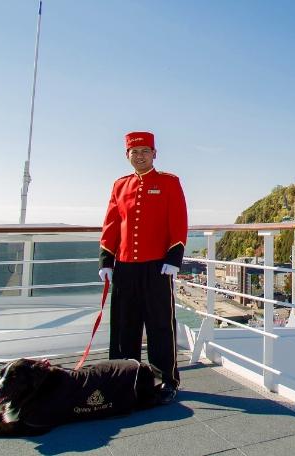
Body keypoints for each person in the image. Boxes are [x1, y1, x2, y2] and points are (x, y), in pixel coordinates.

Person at [98, 131, 187, 404]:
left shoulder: (169, 182)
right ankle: (124, 379)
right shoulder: (119, 185)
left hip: (157, 267)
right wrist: (106, 260)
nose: (140, 156)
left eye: (145, 151)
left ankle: (166, 381)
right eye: (134, 152)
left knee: (160, 325)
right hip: (125, 267)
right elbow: (112, 224)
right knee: (125, 327)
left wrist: (174, 258)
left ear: (154, 154)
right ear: (127, 155)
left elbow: (179, 220)